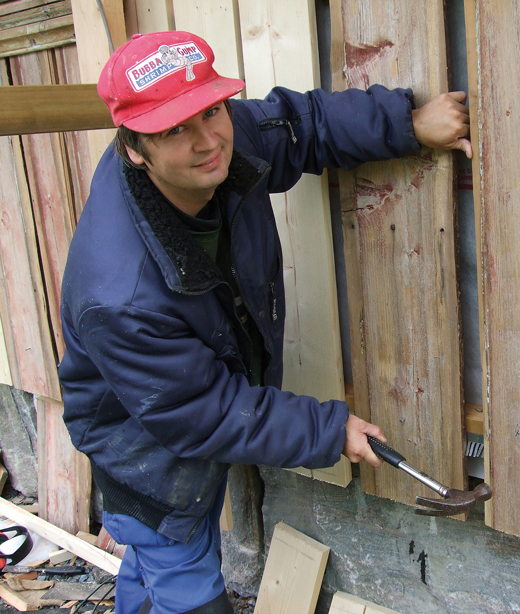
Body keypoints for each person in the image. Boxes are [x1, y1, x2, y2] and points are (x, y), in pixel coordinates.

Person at [57, 30, 470, 614]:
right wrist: (329, 432)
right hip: (144, 455)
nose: (208, 141)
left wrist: (408, 123)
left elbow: (303, 124)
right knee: (182, 574)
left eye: (212, 110)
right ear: (134, 148)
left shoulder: (221, 140)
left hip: (187, 417)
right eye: (176, 128)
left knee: (152, 568)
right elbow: (206, 413)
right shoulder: (120, 295)